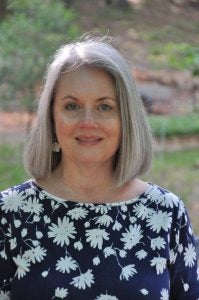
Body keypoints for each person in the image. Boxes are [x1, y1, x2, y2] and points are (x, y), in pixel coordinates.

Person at [0, 34, 198, 300]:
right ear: (51, 118)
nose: (88, 122)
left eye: (105, 107)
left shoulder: (166, 213)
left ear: (125, 118)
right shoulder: (10, 215)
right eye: (72, 106)